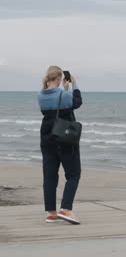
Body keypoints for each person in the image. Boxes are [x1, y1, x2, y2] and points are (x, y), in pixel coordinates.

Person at [37, 66, 82, 224]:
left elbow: (49, 111)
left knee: (49, 176)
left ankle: (51, 213)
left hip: (47, 139)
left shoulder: (40, 95)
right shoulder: (64, 95)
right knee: (73, 174)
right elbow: (77, 102)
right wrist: (74, 85)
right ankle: (66, 209)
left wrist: (64, 89)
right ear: (58, 78)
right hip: (64, 139)